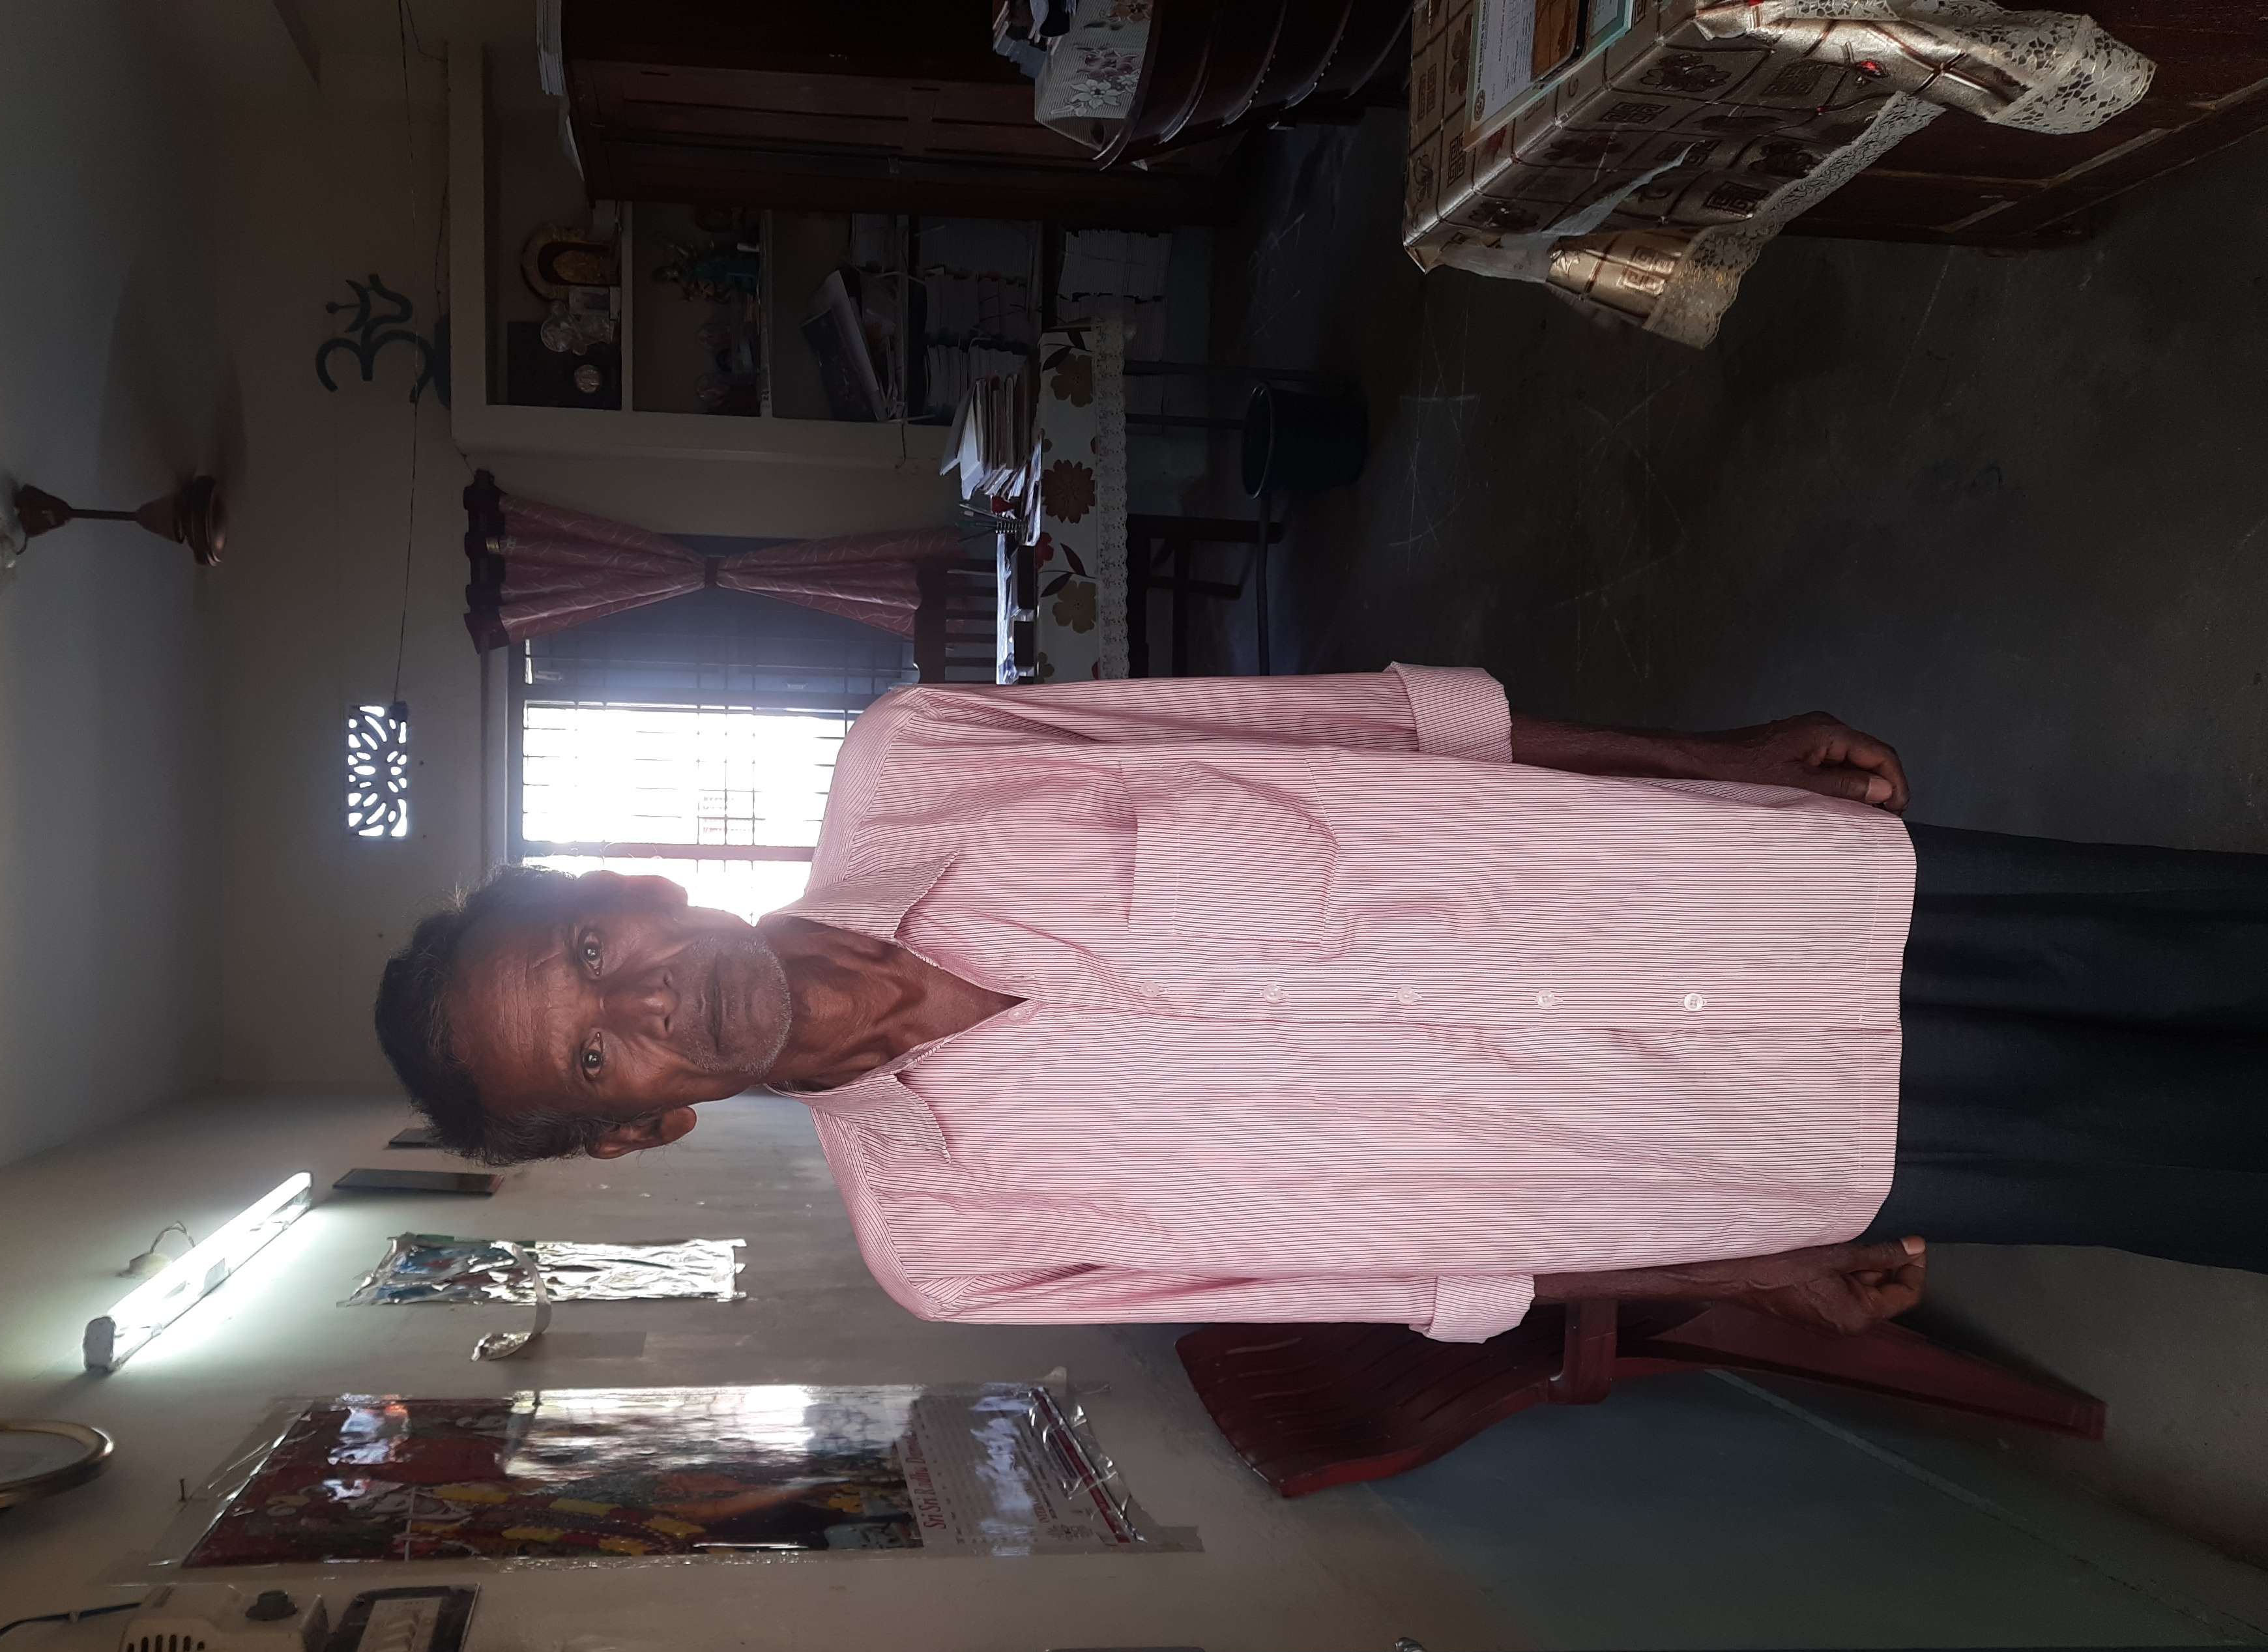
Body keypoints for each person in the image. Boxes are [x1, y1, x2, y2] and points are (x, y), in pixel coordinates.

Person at [373, 667, 2268, 1343]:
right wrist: (1750, 1271)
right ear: (639, 1126)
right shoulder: (954, 1249)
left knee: (2202, 942)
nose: (648, 1002)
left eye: (594, 955)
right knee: (2198, 1161)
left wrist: (1715, 754)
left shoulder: (922, 755)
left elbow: (1375, 726)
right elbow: (1425, 1279)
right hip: (1752, 1143)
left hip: (1753, 893)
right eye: (598, 1053)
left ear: (632, 889)